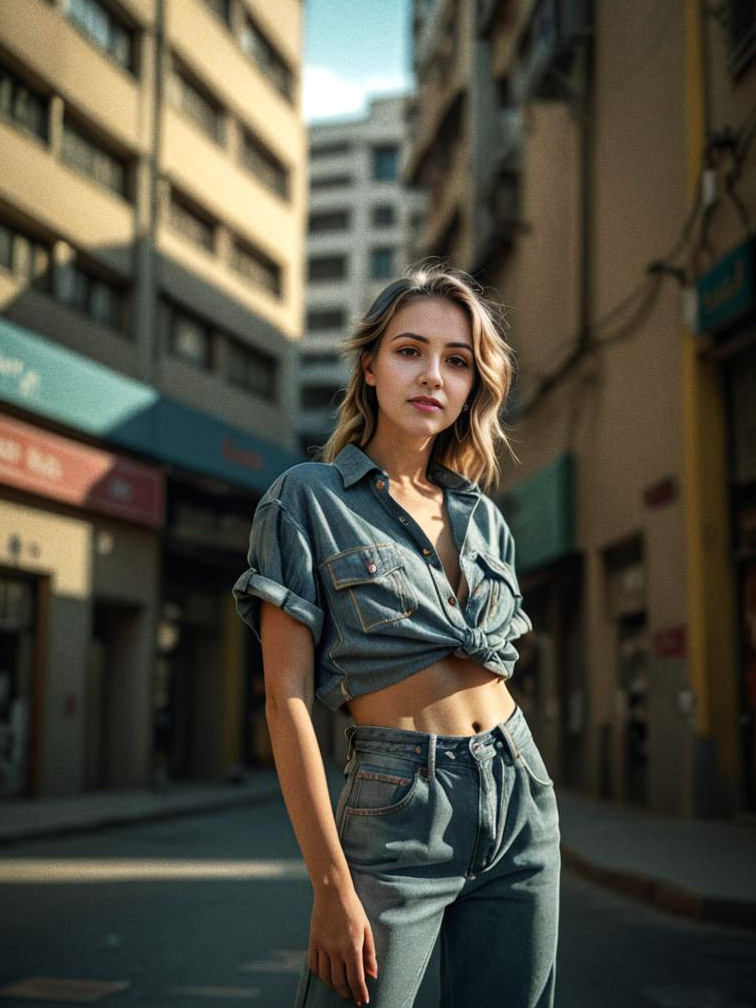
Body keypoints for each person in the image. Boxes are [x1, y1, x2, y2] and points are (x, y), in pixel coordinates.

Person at [232, 264, 561, 1008]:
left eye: (457, 360)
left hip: (519, 791)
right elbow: (286, 700)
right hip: (398, 802)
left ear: (475, 384)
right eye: (410, 351)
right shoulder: (304, 499)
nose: (433, 376)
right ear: (371, 365)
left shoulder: (484, 518)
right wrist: (328, 884)